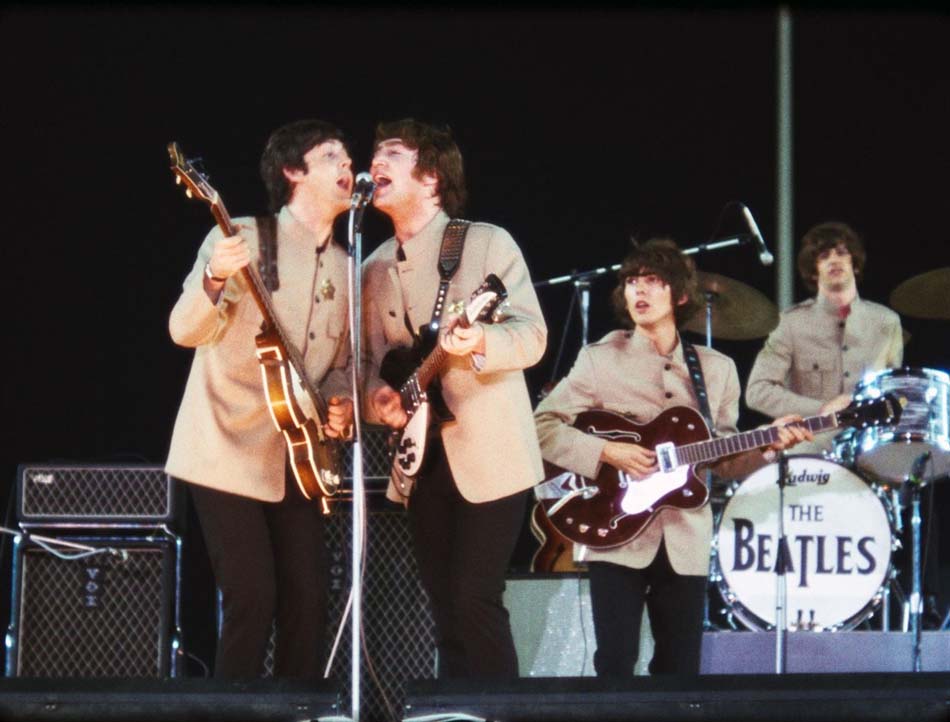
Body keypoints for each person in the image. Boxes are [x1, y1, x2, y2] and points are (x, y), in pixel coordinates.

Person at [534, 239, 811, 676]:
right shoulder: (599, 359)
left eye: (653, 281)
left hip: (685, 539)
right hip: (614, 531)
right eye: (631, 281)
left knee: (680, 670)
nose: (639, 290)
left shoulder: (717, 369)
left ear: (680, 295)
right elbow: (541, 426)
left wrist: (767, 446)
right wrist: (607, 451)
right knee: (615, 662)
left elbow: (723, 460)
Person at [165, 119, 355, 679]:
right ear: (293, 172)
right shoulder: (242, 236)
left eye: (347, 156)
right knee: (251, 597)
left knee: (309, 601)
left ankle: (300, 711)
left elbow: (343, 364)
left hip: (298, 453)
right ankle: (229, 710)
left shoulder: (347, 265)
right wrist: (213, 277)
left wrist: (340, 402)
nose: (347, 164)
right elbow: (183, 329)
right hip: (224, 444)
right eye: (330, 156)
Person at [361, 119, 547, 678]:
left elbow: (533, 336)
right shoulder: (371, 268)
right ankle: (456, 709)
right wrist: (378, 398)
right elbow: (369, 365)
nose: (375, 162)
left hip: (491, 450)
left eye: (394, 152)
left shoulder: (486, 242)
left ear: (432, 177)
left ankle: (501, 711)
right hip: (420, 458)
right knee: (443, 605)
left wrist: (480, 339)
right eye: (375, 152)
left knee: (475, 597)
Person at [746, 221, 903, 453]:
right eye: (824, 256)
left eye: (842, 253)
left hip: (869, 445)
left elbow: (894, 393)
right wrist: (822, 408)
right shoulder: (790, 323)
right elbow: (757, 391)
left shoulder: (886, 321)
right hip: (809, 445)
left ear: (855, 264)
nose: (834, 260)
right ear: (813, 270)